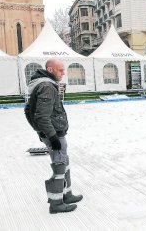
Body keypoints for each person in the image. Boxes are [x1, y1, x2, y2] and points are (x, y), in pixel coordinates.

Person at [24, 59, 83, 214]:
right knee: (59, 166)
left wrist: (40, 132)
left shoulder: (42, 84)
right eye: (60, 70)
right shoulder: (47, 86)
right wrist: (51, 136)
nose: (63, 73)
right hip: (54, 134)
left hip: (54, 133)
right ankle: (56, 204)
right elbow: (41, 117)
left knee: (64, 162)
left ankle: (67, 194)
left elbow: (27, 110)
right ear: (50, 69)